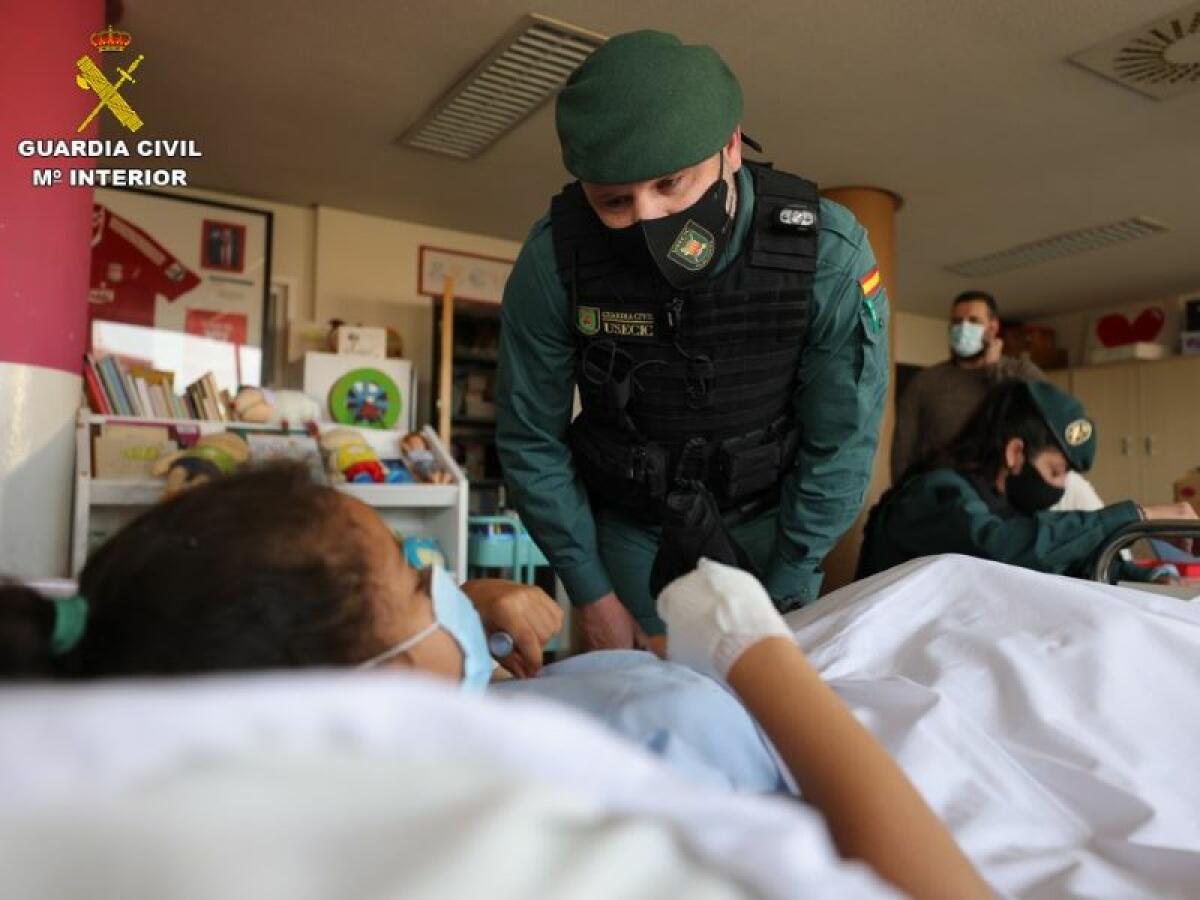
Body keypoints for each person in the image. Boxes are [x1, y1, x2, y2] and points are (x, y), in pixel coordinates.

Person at [0, 465, 987, 898]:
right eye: (409, 566)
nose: (445, 581)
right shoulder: (612, 761)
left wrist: (471, 617)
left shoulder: (206, 668)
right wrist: (761, 657)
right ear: (360, 694)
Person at [496, 30, 889, 652]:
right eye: (615, 201)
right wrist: (591, 592)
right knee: (635, 710)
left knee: (764, 717)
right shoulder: (553, 261)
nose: (647, 218)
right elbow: (530, 437)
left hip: (772, 524)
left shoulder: (826, 255)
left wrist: (789, 588)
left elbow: (841, 440)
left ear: (730, 146)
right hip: (630, 528)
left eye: (671, 184)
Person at [860, 379, 1198, 579]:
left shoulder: (1000, 504)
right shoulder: (934, 492)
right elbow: (1002, 548)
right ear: (1015, 453)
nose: (1060, 487)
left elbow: (1056, 564)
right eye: (1055, 471)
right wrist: (1141, 516)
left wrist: (1142, 575)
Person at [890, 289, 1043, 482]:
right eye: (956, 322)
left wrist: (995, 371)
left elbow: (1041, 423)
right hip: (941, 497)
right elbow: (902, 452)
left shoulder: (1023, 372)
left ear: (993, 328)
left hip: (1008, 497)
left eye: (973, 321)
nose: (963, 327)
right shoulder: (925, 382)